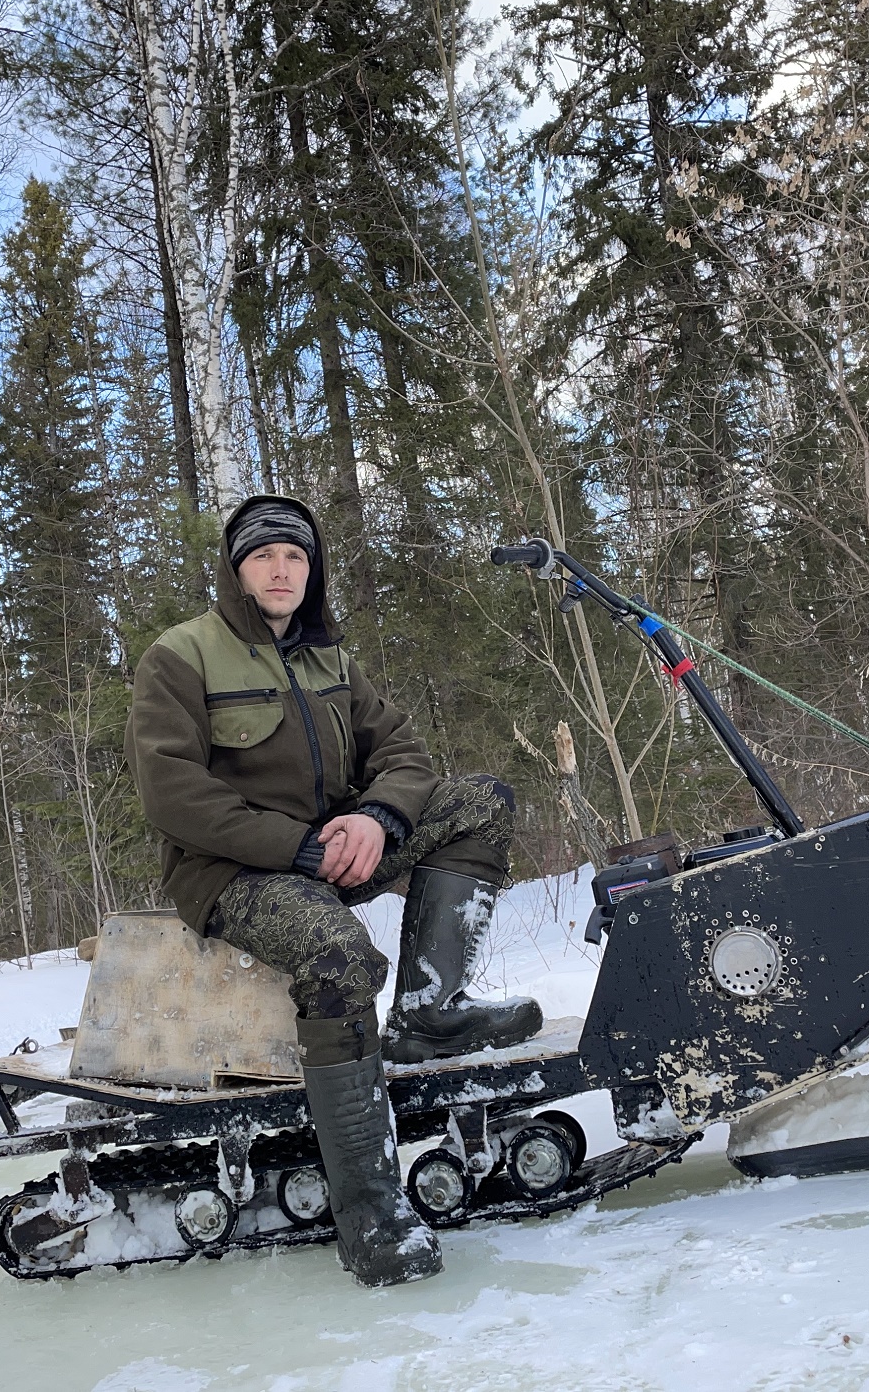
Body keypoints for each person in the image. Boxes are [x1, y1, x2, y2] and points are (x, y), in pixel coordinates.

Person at [125, 494, 542, 1287]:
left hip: (337, 853)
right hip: (236, 872)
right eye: (263, 556)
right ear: (236, 570)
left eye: (296, 557)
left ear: (310, 573)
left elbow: (407, 755)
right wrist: (299, 847)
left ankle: (429, 1014)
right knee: (338, 953)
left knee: (481, 800)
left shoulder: (332, 662)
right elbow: (173, 794)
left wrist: (379, 819)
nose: (281, 569)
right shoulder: (181, 657)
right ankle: (372, 1215)